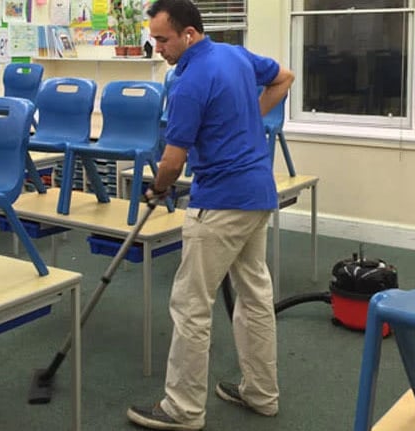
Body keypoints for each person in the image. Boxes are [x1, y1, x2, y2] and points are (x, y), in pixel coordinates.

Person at [126, 0, 295, 430]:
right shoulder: (234, 54)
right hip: (258, 193)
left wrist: (157, 190)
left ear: (189, 34)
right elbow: (283, 78)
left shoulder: (189, 82)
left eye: (163, 39)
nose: (157, 47)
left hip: (220, 202)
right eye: (154, 38)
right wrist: (247, 120)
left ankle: (182, 409)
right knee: (254, 295)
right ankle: (261, 393)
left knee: (190, 304)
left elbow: (172, 161)